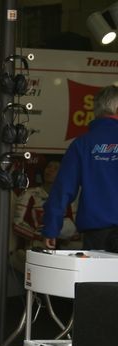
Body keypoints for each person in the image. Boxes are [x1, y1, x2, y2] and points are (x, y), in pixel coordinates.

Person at [43, 84, 118, 251]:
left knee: (98, 270)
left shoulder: (82, 144)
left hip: (97, 235)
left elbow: (63, 189)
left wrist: (51, 228)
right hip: (98, 232)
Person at [12, 159, 78, 271]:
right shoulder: (29, 194)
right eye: (48, 167)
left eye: (55, 168)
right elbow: (17, 225)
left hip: (62, 249)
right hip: (35, 246)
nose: (50, 170)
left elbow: (76, 229)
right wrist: (40, 236)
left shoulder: (68, 197)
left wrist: (62, 236)